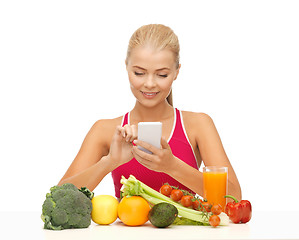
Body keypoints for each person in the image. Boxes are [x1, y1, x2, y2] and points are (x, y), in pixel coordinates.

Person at [58, 24, 242, 201]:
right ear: (127, 67)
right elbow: (58, 198)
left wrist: (173, 166)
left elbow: (234, 199)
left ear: (177, 72)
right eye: (139, 73)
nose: (150, 84)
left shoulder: (198, 125)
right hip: (126, 234)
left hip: (185, 234)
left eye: (162, 75)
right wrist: (110, 161)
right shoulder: (105, 129)